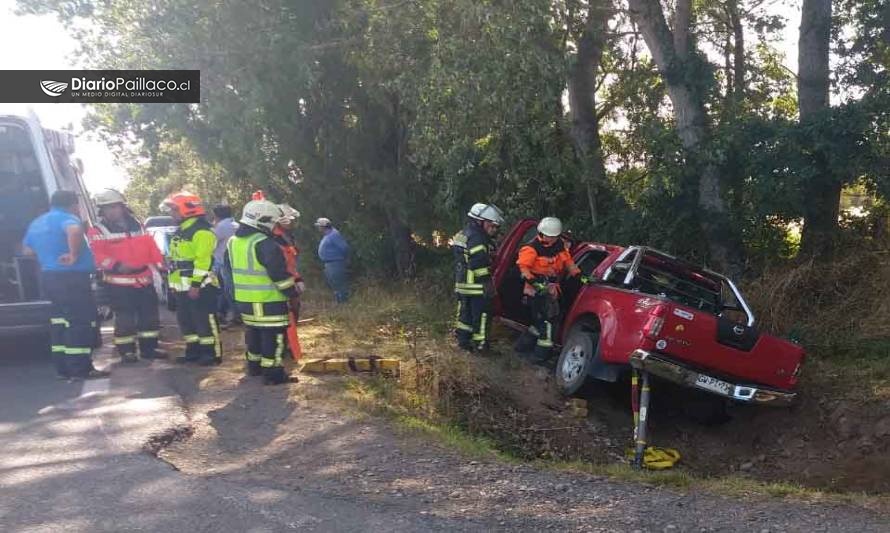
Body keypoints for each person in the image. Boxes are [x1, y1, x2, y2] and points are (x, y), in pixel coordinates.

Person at [22, 190, 108, 380]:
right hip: (71, 279)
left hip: (49, 278)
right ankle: (80, 369)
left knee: (60, 322)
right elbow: (74, 231)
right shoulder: (67, 218)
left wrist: (48, 257)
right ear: (73, 204)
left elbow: (27, 251)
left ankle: (63, 369)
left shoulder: (37, 222)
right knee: (79, 323)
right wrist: (73, 255)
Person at [226, 200, 303, 384]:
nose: (275, 225)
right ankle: (273, 373)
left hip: (244, 300)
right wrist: (293, 292)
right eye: (274, 221)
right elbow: (279, 275)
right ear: (264, 220)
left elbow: (229, 270)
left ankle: (254, 367)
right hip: (268, 301)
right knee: (273, 336)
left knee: (253, 333)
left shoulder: (233, 241)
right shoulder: (265, 243)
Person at [87, 189, 165, 363]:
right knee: (125, 319)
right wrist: (116, 265)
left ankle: (149, 349)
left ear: (123, 207)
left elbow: (151, 247)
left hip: (143, 280)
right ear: (102, 210)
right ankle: (127, 352)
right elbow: (97, 256)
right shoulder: (97, 231)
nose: (112, 211)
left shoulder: (138, 225)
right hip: (118, 284)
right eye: (107, 208)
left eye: (115, 207)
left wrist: (161, 266)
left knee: (149, 317)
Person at [159, 192, 222, 366]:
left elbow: (203, 261)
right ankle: (193, 351)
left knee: (204, 321)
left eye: (174, 209)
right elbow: (176, 261)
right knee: (186, 321)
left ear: (186, 210)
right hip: (182, 287)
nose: (172, 213)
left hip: (201, 287)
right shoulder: (182, 230)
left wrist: (196, 285)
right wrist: (173, 285)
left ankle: (211, 354)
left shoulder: (201, 231)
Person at [514, 217, 581, 361]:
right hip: (534, 292)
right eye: (548, 236)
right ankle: (540, 357)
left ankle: (521, 348)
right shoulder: (531, 248)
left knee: (539, 325)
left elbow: (570, 264)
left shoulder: (560, 248)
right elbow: (524, 269)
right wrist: (536, 283)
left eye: (553, 236)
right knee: (547, 325)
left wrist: (582, 277)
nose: (550, 239)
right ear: (541, 233)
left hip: (550, 292)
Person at [451, 203, 504, 352]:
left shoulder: (464, 233)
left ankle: (463, 343)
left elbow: (463, 257)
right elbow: (478, 263)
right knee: (482, 317)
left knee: (464, 316)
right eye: (491, 225)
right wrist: (487, 282)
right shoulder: (478, 238)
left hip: (462, 284)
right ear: (480, 221)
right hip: (475, 286)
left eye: (495, 226)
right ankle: (481, 346)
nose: (493, 229)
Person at [274, 204, 305, 360]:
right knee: (284, 318)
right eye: (290, 220)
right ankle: (284, 347)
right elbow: (281, 264)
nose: (293, 223)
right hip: (283, 283)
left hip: (291, 279)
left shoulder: (285, 236)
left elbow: (291, 261)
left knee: (293, 313)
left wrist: (298, 279)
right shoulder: (275, 237)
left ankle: (288, 346)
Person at [211, 204, 238, 325]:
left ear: (217, 215)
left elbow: (211, 243)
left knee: (226, 290)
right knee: (230, 289)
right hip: (235, 261)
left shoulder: (221, 227)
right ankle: (227, 313)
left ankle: (233, 315)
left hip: (222, 261)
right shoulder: (236, 224)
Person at [314, 217, 350, 303]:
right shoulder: (328, 235)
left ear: (324, 227)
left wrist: (344, 259)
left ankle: (344, 304)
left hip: (336, 263)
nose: (318, 228)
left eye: (319, 226)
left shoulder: (334, 234)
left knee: (340, 284)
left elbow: (344, 247)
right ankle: (339, 303)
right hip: (330, 264)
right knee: (334, 285)